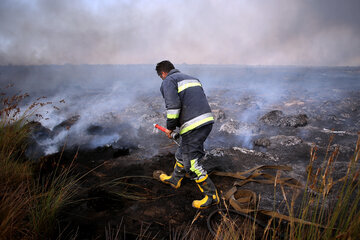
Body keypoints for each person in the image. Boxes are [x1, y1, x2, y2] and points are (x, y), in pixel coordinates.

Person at [155, 60, 219, 209]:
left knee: (192, 164)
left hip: (193, 125)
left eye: (161, 77)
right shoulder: (192, 78)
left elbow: (173, 106)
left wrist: (170, 128)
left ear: (163, 73)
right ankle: (175, 179)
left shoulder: (168, 81)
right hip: (206, 121)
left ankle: (212, 196)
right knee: (183, 152)